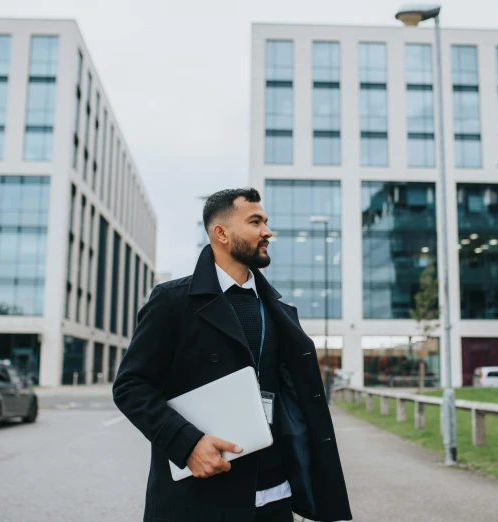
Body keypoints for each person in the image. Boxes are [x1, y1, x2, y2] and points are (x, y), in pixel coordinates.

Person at [113, 188, 352, 522]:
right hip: (199, 497)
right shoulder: (172, 302)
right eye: (255, 222)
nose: (267, 231)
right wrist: (188, 444)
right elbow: (130, 386)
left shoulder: (280, 311)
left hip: (276, 496)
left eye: (266, 222)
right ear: (220, 233)